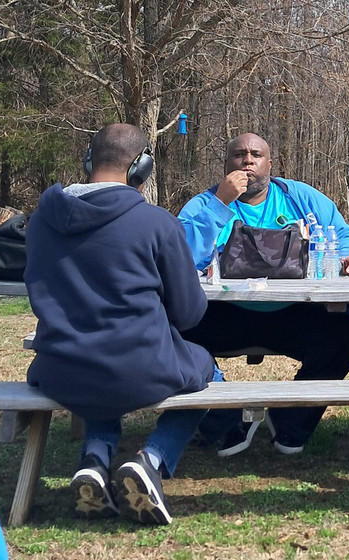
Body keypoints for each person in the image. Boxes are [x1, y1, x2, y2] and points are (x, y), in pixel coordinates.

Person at [25, 123, 218, 525]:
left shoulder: (42, 221)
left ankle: (95, 459)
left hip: (60, 370)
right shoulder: (157, 223)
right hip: (137, 369)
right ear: (141, 168)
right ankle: (151, 460)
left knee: (99, 365)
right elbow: (188, 314)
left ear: (88, 159)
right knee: (209, 371)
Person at [177, 132, 349, 457]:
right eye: (239, 154)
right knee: (172, 333)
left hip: (294, 314)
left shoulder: (299, 198)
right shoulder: (205, 203)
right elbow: (180, 256)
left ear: (270, 164)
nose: (247, 160)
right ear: (226, 165)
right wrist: (220, 203)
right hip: (222, 314)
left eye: (256, 155)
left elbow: (342, 231)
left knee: (346, 331)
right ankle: (226, 417)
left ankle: (289, 422)